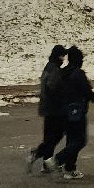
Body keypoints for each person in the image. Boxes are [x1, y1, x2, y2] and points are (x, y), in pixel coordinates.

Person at [50, 45, 94, 181]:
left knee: (71, 140)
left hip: (64, 111)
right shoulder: (78, 74)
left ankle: (69, 169)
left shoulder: (63, 72)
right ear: (78, 60)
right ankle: (58, 160)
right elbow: (86, 90)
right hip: (77, 111)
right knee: (80, 140)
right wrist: (92, 98)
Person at [27, 45, 67, 174]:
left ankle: (46, 163)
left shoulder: (49, 66)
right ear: (58, 56)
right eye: (62, 56)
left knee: (49, 135)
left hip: (47, 108)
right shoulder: (54, 69)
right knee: (57, 134)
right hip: (54, 109)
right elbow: (54, 88)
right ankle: (38, 153)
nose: (63, 59)